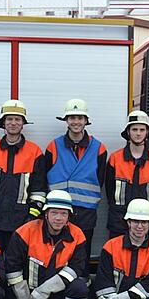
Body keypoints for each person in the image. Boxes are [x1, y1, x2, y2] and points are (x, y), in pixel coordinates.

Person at [4, 190, 89, 299]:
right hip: (28, 295)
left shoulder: (77, 235)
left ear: (69, 216)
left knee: (79, 288)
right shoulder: (25, 232)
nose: (58, 218)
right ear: (46, 213)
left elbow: (76, 268)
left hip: (55, 292)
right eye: (54, 212)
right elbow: (12, 268)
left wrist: (45, 290)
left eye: (63, 214)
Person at [0, 99, 47, 251]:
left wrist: (32, 216)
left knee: (17, 260)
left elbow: (39, 189)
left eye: (17, 119)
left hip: (22, 219)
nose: (13, 123)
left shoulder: (35, 152)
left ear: (22, 123)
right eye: (9, 119)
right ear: (3, 123)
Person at [45, 98, 107, 263]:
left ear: (86, 121)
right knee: (57, 250)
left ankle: (82, 282)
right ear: (66, 120)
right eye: (72, 118)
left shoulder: (99, 148)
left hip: (86, 211)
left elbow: (99, 180)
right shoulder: (54, 146)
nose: (76, 122)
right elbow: (44, 177)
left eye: (80, 118)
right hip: (59, 210)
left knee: (82, 251)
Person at [104, 110, 149, 238]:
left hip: (147, 222)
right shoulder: (115, 159)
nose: (138, 133)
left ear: (147, 132)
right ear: (128, 132)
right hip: (119, 220)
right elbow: (110, 190)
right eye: (134, 129)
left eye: (142, 130)